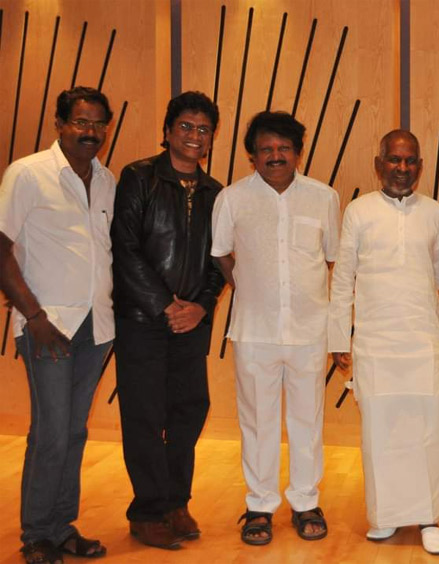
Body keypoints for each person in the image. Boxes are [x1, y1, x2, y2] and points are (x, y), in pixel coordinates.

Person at [211, 111, 338, 544]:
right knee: (257, 421)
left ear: (298, 153)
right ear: (252, 156)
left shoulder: (324, 197)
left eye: (284, 148)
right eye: (266, 149)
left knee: (307, 420)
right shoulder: (232, 198)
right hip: (255, 330)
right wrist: (247, 286)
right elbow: (221, 253)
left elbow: (331, 257)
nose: (275, 156)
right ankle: (260, 505)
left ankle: (305, 501)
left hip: (309, 329)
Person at [0, 87, 114, 564]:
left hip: (96, 327)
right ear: (60, 124)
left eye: (99, 124)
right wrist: (33, 315)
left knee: (75, 431)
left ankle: (63, 527)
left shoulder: (106, 179)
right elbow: (1, 248)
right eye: (81, 122)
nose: (91, 131)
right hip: (48, 326)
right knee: (50, 431)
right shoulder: (28, 173)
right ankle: (36, 535)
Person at [329, 130, 439, 555]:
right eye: (394, 160)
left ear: (420, 166)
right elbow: (343, 277)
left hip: (422, 339)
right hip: (375, 342)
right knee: (380, 432)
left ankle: (429, 519)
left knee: (428, 431)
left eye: (410, 161)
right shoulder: (359, 211)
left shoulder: (434, 212)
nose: (402, 168)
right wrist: (338, 336)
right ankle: (386, 514)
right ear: (378, 164)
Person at [111, 91, 225, 550]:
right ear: (168, 131)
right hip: (142, 319)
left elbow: (220, 259)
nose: (194, 135)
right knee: (144, 415)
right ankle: (147, 511)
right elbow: (125, 248)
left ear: (211, 138)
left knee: (189, 411)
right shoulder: (139, 177)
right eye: (186, 126)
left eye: (203, 129)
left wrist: (200, 307)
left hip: (191, 324)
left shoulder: (216, 192)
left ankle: (176, 501)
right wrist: (165, 305)